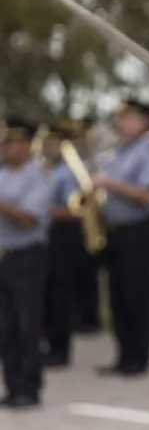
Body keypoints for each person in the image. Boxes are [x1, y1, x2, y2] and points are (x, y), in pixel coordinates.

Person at [91, 98, 149, 376]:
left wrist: (111, 184)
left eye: (131, 118)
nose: (124, 123)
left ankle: (139, 358)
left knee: (138, 296)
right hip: (115, 231)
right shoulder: (116, 152)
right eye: (121, 118)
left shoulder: (147, 152)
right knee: (118, 297)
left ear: (143, 122)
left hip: (138, 231)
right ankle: (123, 356)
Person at [0, 117, 52, 409]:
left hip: (27, 256)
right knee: (5, 327)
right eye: (9, 141)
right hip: (4, 257)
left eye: (18, 142)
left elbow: (29, 218)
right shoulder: (3, 172)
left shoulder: (39, 174)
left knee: (27, 324)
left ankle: (30, 388)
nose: (11, 147)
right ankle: (12, 385)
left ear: (29, 144)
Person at [43, 119, 84, 368]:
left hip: (64, 235)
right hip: (49, 235)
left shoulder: (69, 171)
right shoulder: (49, 170)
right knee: (49, 295)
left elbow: (73, 210)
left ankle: (61, 349)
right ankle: (51, 344)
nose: (48, 148)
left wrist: (40, 210)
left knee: (61, 296)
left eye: (53, 143)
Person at [72, 114, 103, 334]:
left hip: (96, 215)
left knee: (89, 272)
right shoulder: (73, 154)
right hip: (77, 218)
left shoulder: (96, 153)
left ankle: (91, 317)